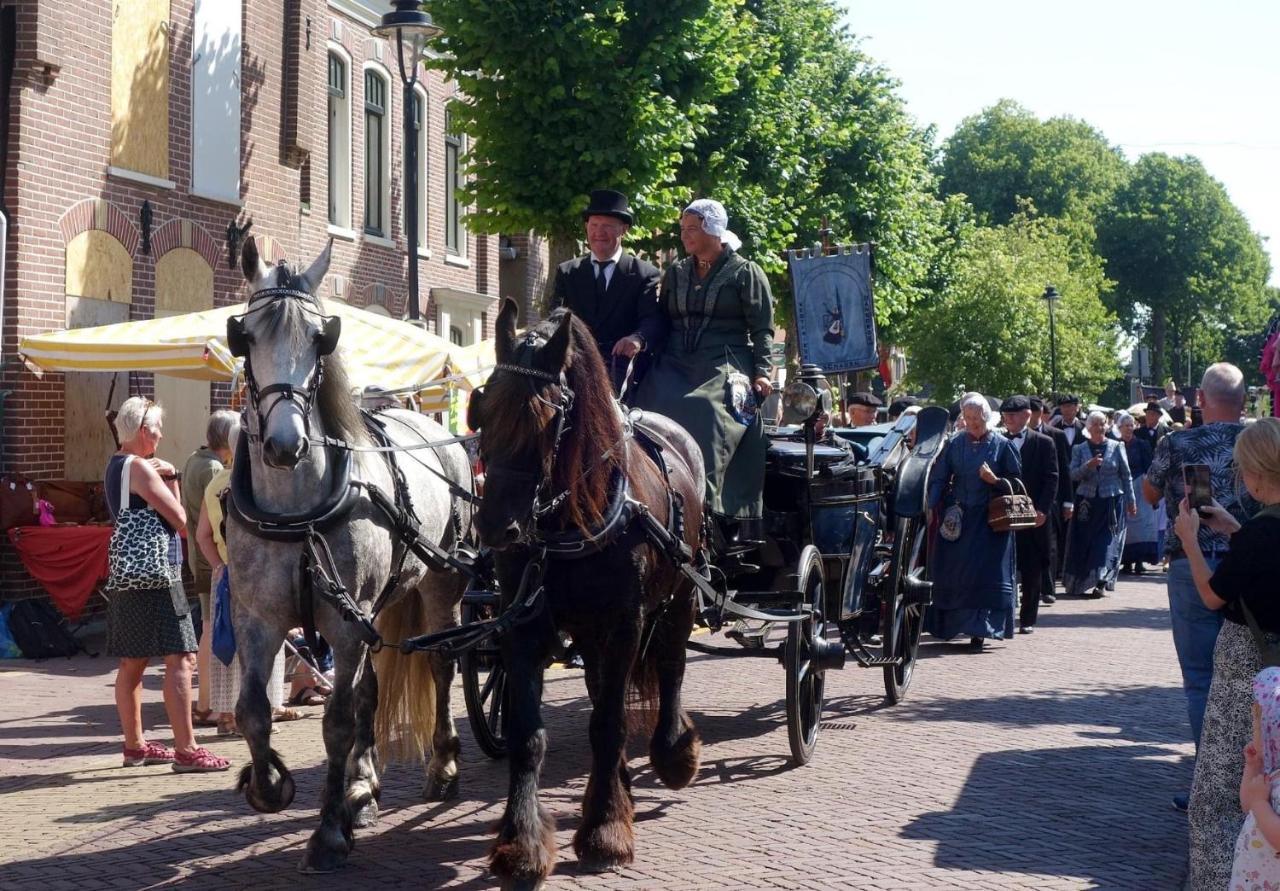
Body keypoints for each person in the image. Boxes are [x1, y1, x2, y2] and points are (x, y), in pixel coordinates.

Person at [1169, 417, 1280, 889]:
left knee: (1216, 791)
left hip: (1248, 670)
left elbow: (1214, 596)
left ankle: (1215, 881)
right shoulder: (1257, 532)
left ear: (1255, 474)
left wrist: (1191, 542)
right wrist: (1234, 528)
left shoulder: (1259, 533)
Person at [1146, 363, 1257, 814]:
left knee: (1200, 679)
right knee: (1256, 673)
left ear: (1201, 400)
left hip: (1192, 568)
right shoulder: (1262, 440)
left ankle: (1208, 783)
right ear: (1245, 401)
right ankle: (1253, 779)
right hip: (1253, 563)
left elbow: (1151, 494)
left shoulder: (1177, 442)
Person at [634, 198, 773, 542]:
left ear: (714, 230)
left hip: (726, 361)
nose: (685, 236)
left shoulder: (745, 272)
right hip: (675, 359)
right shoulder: (677, 273)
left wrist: (763, 371)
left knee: (705, 410)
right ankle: (646, 493)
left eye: (692, 229)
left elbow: (762, 329)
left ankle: (702, 510)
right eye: (682, 229)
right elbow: (662, 321)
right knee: (645, 407)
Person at [105, 397, 230, 773]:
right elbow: (178, 518)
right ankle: (187, 749)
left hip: (128, 575)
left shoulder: (114, 465)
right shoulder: (141, 468)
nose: (161, 436)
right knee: (180, 659)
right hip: (157, 574)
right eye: (157, 429)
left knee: (133, 661)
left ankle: (135, 746)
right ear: (144, 431)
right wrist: (172, 475)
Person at [194, 423, 299, 735]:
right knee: (264, 642)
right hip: (260, 575)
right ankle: (257, 713)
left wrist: (219, 567)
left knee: (225, 641)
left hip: (225, 573)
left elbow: (202, 535)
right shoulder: (259, 485)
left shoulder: (216, 483)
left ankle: (225, 715)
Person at [925, 392, 1022, 650]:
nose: (971, 423)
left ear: (986, 417)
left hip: (990, 522)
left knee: (985, 574)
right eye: (966, 418)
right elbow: (939, 478)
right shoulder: (955, 444)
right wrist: (930, 504)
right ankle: (952, 624)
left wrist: (996, 481)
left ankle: (980, 630)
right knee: (955, 571)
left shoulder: (1003, 445)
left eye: (976, 418)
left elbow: (1017, 482)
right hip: (958, 519)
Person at [550, 189, 663, 396]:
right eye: (594, 225)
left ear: (624, 229)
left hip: (621, 367)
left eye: (608, 226)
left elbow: (652, 320)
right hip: (575, 364)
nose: (599, 233)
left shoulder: (644, 274)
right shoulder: (567, 272)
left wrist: (637, 339)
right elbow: (554, 318)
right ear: (586, 227)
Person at [180, 410, 238, 729]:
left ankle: (207, 703)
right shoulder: (218, 470)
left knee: (209, 628)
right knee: (212, 629)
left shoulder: (193, 460)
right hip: (211, 561)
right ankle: (208, 703)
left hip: (199, 555)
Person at [999, 396, 1058, 634]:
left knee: (1032, 567)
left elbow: (1052, 477)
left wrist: (1043, 509)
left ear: (1026, 415)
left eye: (1013, 415)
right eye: (1006, 415)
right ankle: (1003, 616)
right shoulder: (999, 440)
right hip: (1004, 515)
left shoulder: (1044, 443)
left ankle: (1027, 619)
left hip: (1033, 515)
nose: (1008, 420)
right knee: (1004, 565)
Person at [1063, 410, 1136, 598]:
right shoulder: (1079, 449)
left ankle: (1101, 582)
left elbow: (1126, 476)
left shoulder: (1117, 446)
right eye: (1095, 424)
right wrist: (1088, 465)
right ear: (1088, 427)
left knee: (1105, 544)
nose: (1099, 427)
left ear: (1107, 425)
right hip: (1086, 504)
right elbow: (1072, 475)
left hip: (1110, 502)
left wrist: (1131, 501)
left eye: (1102, 423)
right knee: (1085, 542)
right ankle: (1080, 582)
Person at [1232, 669, 1280, 888]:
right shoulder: (1274, 772)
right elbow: (1247, 804)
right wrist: (1252, 768)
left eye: (1258, 725)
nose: (1254, 732)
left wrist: (1261, 802)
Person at [1030, 396, 1071, 605]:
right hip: (1025, 499)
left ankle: (1047, 588)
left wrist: (1068, 502)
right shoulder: (1014, 436)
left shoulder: (1056, 436)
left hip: (1050, 500)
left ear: (1038, 414)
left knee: (1049, 545)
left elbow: (1064, 471)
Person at [1113, 411, 1158, 574]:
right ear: (1120, 428)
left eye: (1132, 425)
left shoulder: (1142, 444)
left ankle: (1139, 561)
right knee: (1124, 524)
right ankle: (1126, 562)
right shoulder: (1114, 444)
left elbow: (1149, 468)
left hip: (1140, 486)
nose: (1129, 428)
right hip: (1121, 486)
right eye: (1126, 426)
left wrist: (1152, 490)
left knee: (1142, 524)